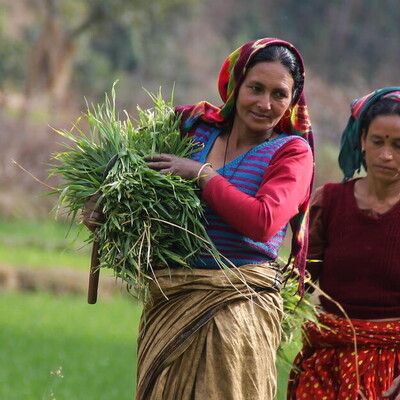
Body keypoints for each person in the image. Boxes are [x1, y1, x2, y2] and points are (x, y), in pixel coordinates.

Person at [84, 37, 314, 400]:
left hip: (238, 305)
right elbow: (127, 180)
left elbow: (263, 221)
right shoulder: (190, 128)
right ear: (235, 85)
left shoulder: (291, 152)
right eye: (255, 88)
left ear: (292, 100)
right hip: (171, 300)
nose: (265, 104)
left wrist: (203, 175)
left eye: (279, 94)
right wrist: (101, 205)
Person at [287, 87, 400, 400]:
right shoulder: (330, 203)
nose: (386, 154)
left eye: (399, 146)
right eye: (378, 141)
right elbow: (298, 283)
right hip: (327, 369)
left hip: (393, 375)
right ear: (362, 140)